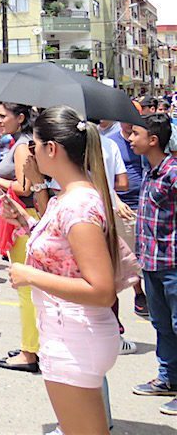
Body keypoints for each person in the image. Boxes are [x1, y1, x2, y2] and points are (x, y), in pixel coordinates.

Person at [1, 106, 133, 434]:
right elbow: (66, 253)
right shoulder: (70, 196)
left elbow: (101, 290)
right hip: (68, 331)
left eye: (34, 145)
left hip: (75, 335)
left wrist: (30, 275)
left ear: (52, 149)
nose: (30, 154)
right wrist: (26, 221)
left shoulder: (77, 204)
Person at [0, 102, 46, 374]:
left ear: (20, 118)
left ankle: (30, 352)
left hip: (24, 218)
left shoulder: (23, 145)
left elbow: (26, 187)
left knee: (25, 289)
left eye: (3, 116)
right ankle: (30, 343)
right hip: (20, 217)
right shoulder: (19, 143)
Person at [128, 114, 177, 416]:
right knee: (161, 325)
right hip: (152, 264)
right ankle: (168, 378)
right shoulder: (151, 171)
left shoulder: (173, 173)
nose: (130, 139)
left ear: (153, 140)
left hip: (173, 264)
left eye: (135, 134)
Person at [104, 119, 149, 317]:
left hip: (147, 207)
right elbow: (105, 178)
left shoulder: (148, 143)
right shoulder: (112, 143)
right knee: (130, 257)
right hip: (125, 208)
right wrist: (116, 200)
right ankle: (139, 294)